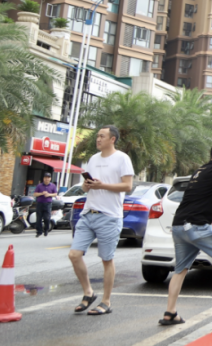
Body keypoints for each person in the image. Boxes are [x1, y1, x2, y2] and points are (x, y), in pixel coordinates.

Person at [159, 143, 212, 327]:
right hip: (195, 226)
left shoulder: (199, 171)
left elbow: (199, 195)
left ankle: (170, 312)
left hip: (179, 226)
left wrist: (209, 214)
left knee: (180, 270)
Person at [68, 126, 134, 316]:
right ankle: (88, 292)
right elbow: (85, 188)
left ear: (112, 139)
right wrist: (87, 185)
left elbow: (128, 186)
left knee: (107, 260)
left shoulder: (122, 158)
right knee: (74, 254)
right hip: (88, 213)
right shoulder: (93, 159)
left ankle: (106, 301)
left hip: (109, 216)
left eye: (101, 136)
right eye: (97, 136)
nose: (98, 139)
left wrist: (102, 185)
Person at [32, 171, 58, 237]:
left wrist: (49, 194)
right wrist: (42, 193)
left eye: (48, 178)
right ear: (43, 178)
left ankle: (46, 230)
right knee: (39, 218)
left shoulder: (53, 186)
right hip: (40, 203)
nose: (47, 179)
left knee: (47, 218)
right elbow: (35, 194)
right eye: (46, 177)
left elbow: (55, 194)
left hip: (48, 203)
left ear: (50, 179)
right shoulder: (39, 185)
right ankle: (39, 232)